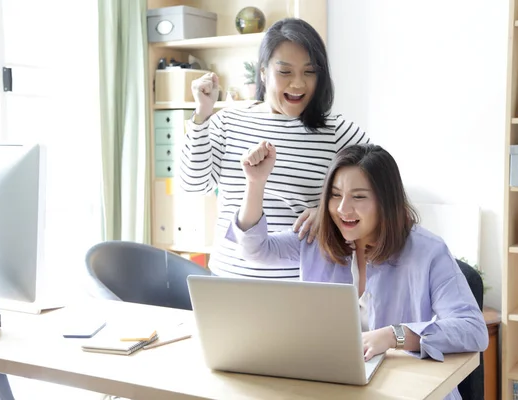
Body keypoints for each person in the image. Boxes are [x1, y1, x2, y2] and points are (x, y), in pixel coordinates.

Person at [226, 142, 488, 400]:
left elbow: (473, 330)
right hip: (335, 386)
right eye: (335, 195)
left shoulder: (427, 251)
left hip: (410, 388)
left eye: (359, 197)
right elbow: (254, 249)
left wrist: (393, 335)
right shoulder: (317, 238)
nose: (343, 209)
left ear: (386, 201)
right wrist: (255, 182)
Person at [180, 18, 369, 278]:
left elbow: (381, 195)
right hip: (228, 282)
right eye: (285, 72)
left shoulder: (339, 133)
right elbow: (193, 184)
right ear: (263, 72)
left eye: (309, 71)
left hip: (304, 286)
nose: (298, 84)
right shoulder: (228, 121)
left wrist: (329, 212)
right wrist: (201, 115)